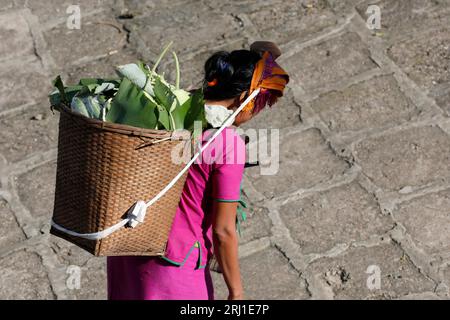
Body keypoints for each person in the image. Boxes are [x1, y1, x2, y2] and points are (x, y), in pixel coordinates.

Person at [107, 41, 289, 300]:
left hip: (128, 248)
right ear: (243, 101)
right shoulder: (227, 145)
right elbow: (223, 231)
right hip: (173, 267)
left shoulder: (173, 110)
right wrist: (236, 292)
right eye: (259, 106)